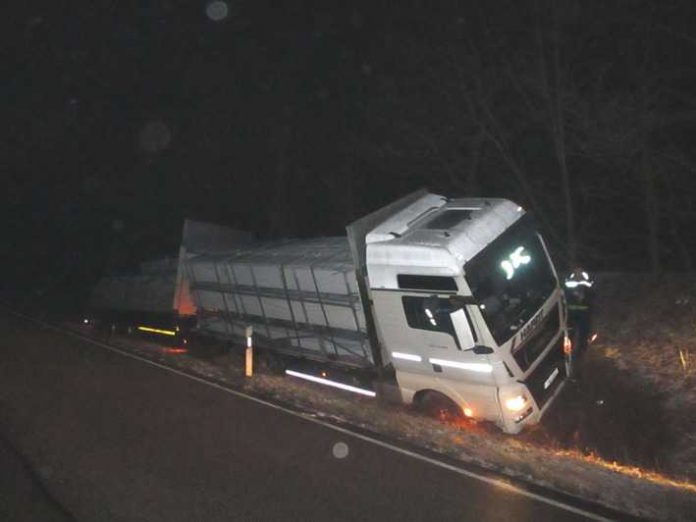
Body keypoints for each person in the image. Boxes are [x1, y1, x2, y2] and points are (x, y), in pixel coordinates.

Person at [564, 268, 594, 359]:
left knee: (583, 333)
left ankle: (581, 351)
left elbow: (591, 292)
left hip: (583, 312)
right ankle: (569, 353)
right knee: (570, 333)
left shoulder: (586, 278)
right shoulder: (570, 278)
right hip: (572, 312)